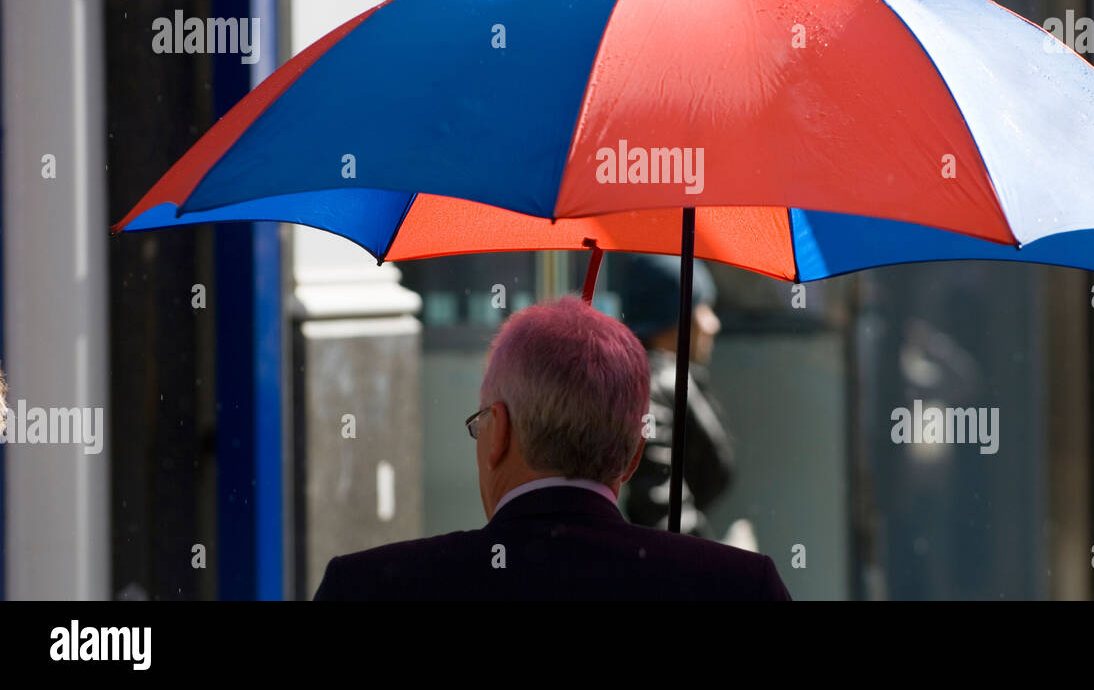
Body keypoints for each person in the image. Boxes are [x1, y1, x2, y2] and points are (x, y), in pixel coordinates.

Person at [313, 296, 790, 600]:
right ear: (633, 454)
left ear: (497, 432)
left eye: (479, 424)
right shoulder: (740, 587)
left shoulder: (368, 588)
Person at [619, 254, 741, 542]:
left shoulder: (661, 381)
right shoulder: (653, 389)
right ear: (675, 314)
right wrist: (720, 569)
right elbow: (660, 509)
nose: (713, 325)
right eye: (704, 308)